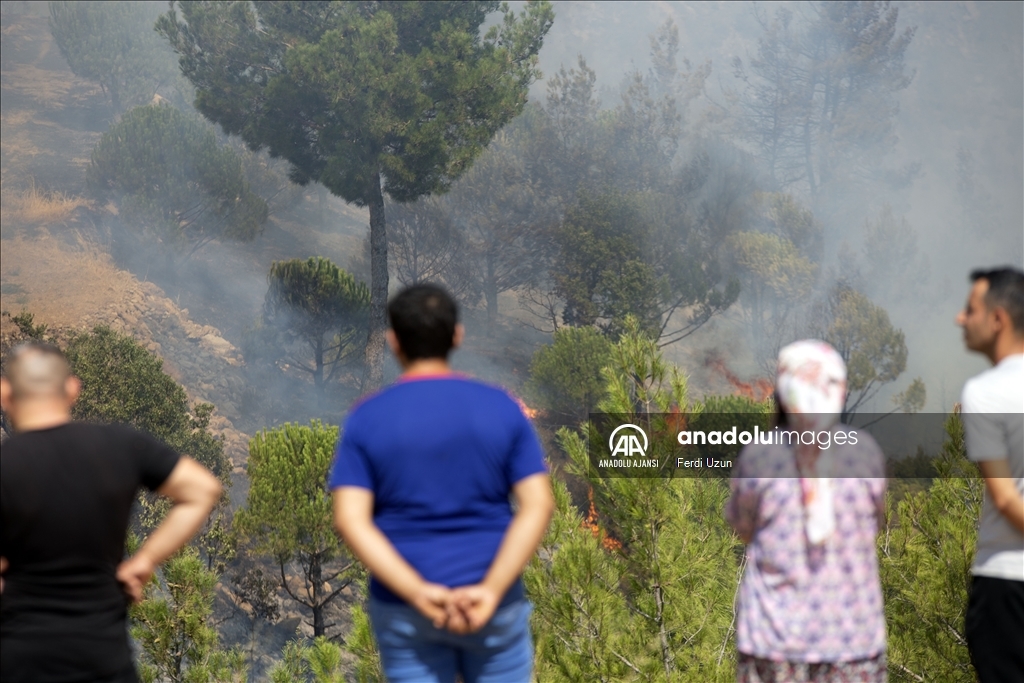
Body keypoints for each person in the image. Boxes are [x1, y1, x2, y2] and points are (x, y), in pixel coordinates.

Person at [331, 283, 553, 683]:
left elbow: (350, 520)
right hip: (494, 607)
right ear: (457, 336)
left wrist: (417, 593)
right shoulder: (500, 408)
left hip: (405, 609)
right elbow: (537, 505)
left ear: (393, 341)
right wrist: (490, 590)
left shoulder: (367, 418)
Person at [0, 340, 223, 683]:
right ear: (72, 389)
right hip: (104, 662)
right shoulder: (120, 445)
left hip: (20, 663)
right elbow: (202, 489)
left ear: (5, 393)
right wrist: (144, 561)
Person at [725, 340, 888, 683]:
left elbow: (741, 527)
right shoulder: (865, 454)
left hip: (776, 644)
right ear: (839, 390)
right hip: (852, 642)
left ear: (783, 393)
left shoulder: (760, 456)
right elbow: (876, 521)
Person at [955, 267, 1024, 682]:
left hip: (1006, 585)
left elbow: (1003, 497)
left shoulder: (984, 391)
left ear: (998, 319)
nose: (960, 319)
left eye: (970, 309)